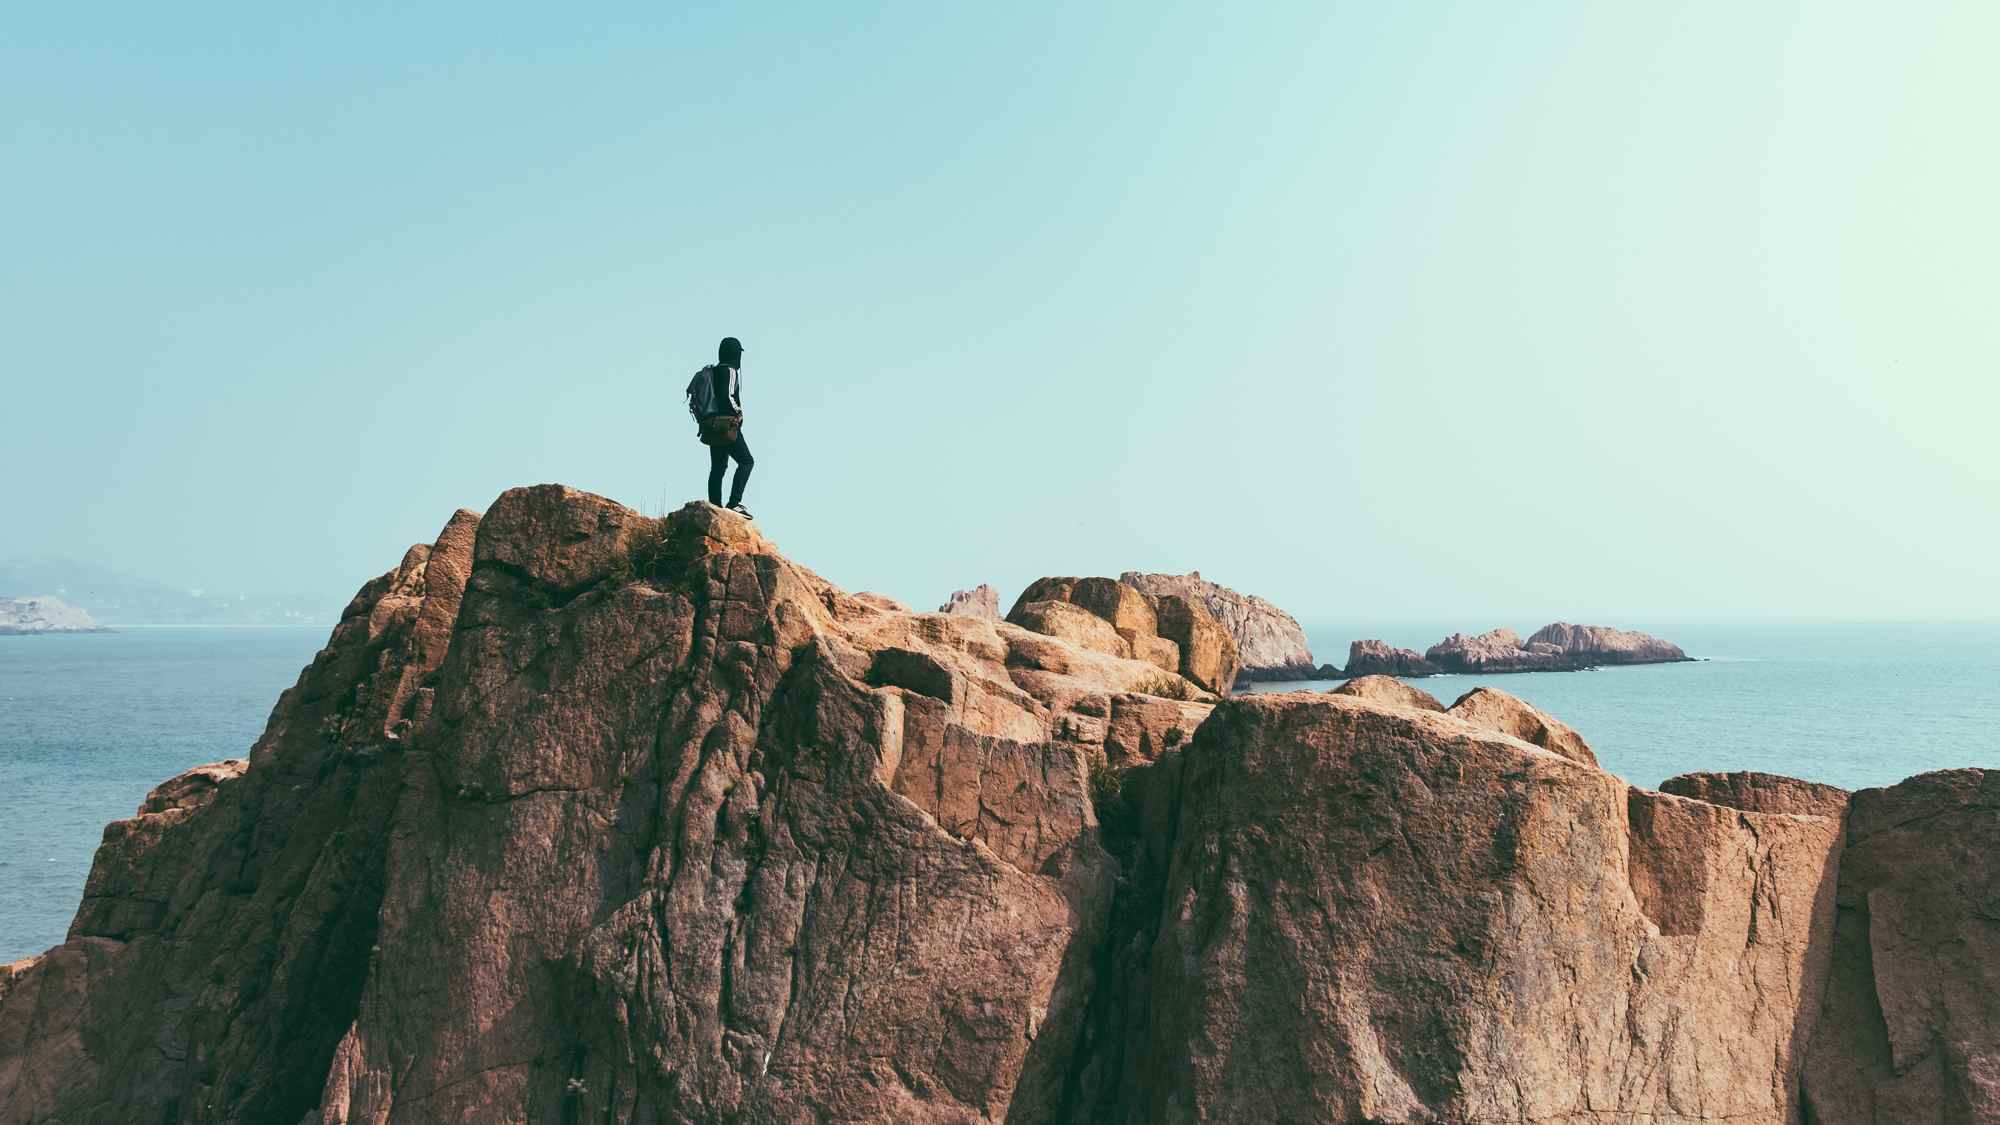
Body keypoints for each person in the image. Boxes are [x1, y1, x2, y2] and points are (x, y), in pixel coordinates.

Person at [696, 336, 754, 518]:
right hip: (727, 424)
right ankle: (734, 503)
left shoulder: (713, 371)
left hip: (712, 425)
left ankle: (714, 506)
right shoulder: (730, 370)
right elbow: (727, 396)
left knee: (718, 467)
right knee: (746, 461)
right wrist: (739, 413)